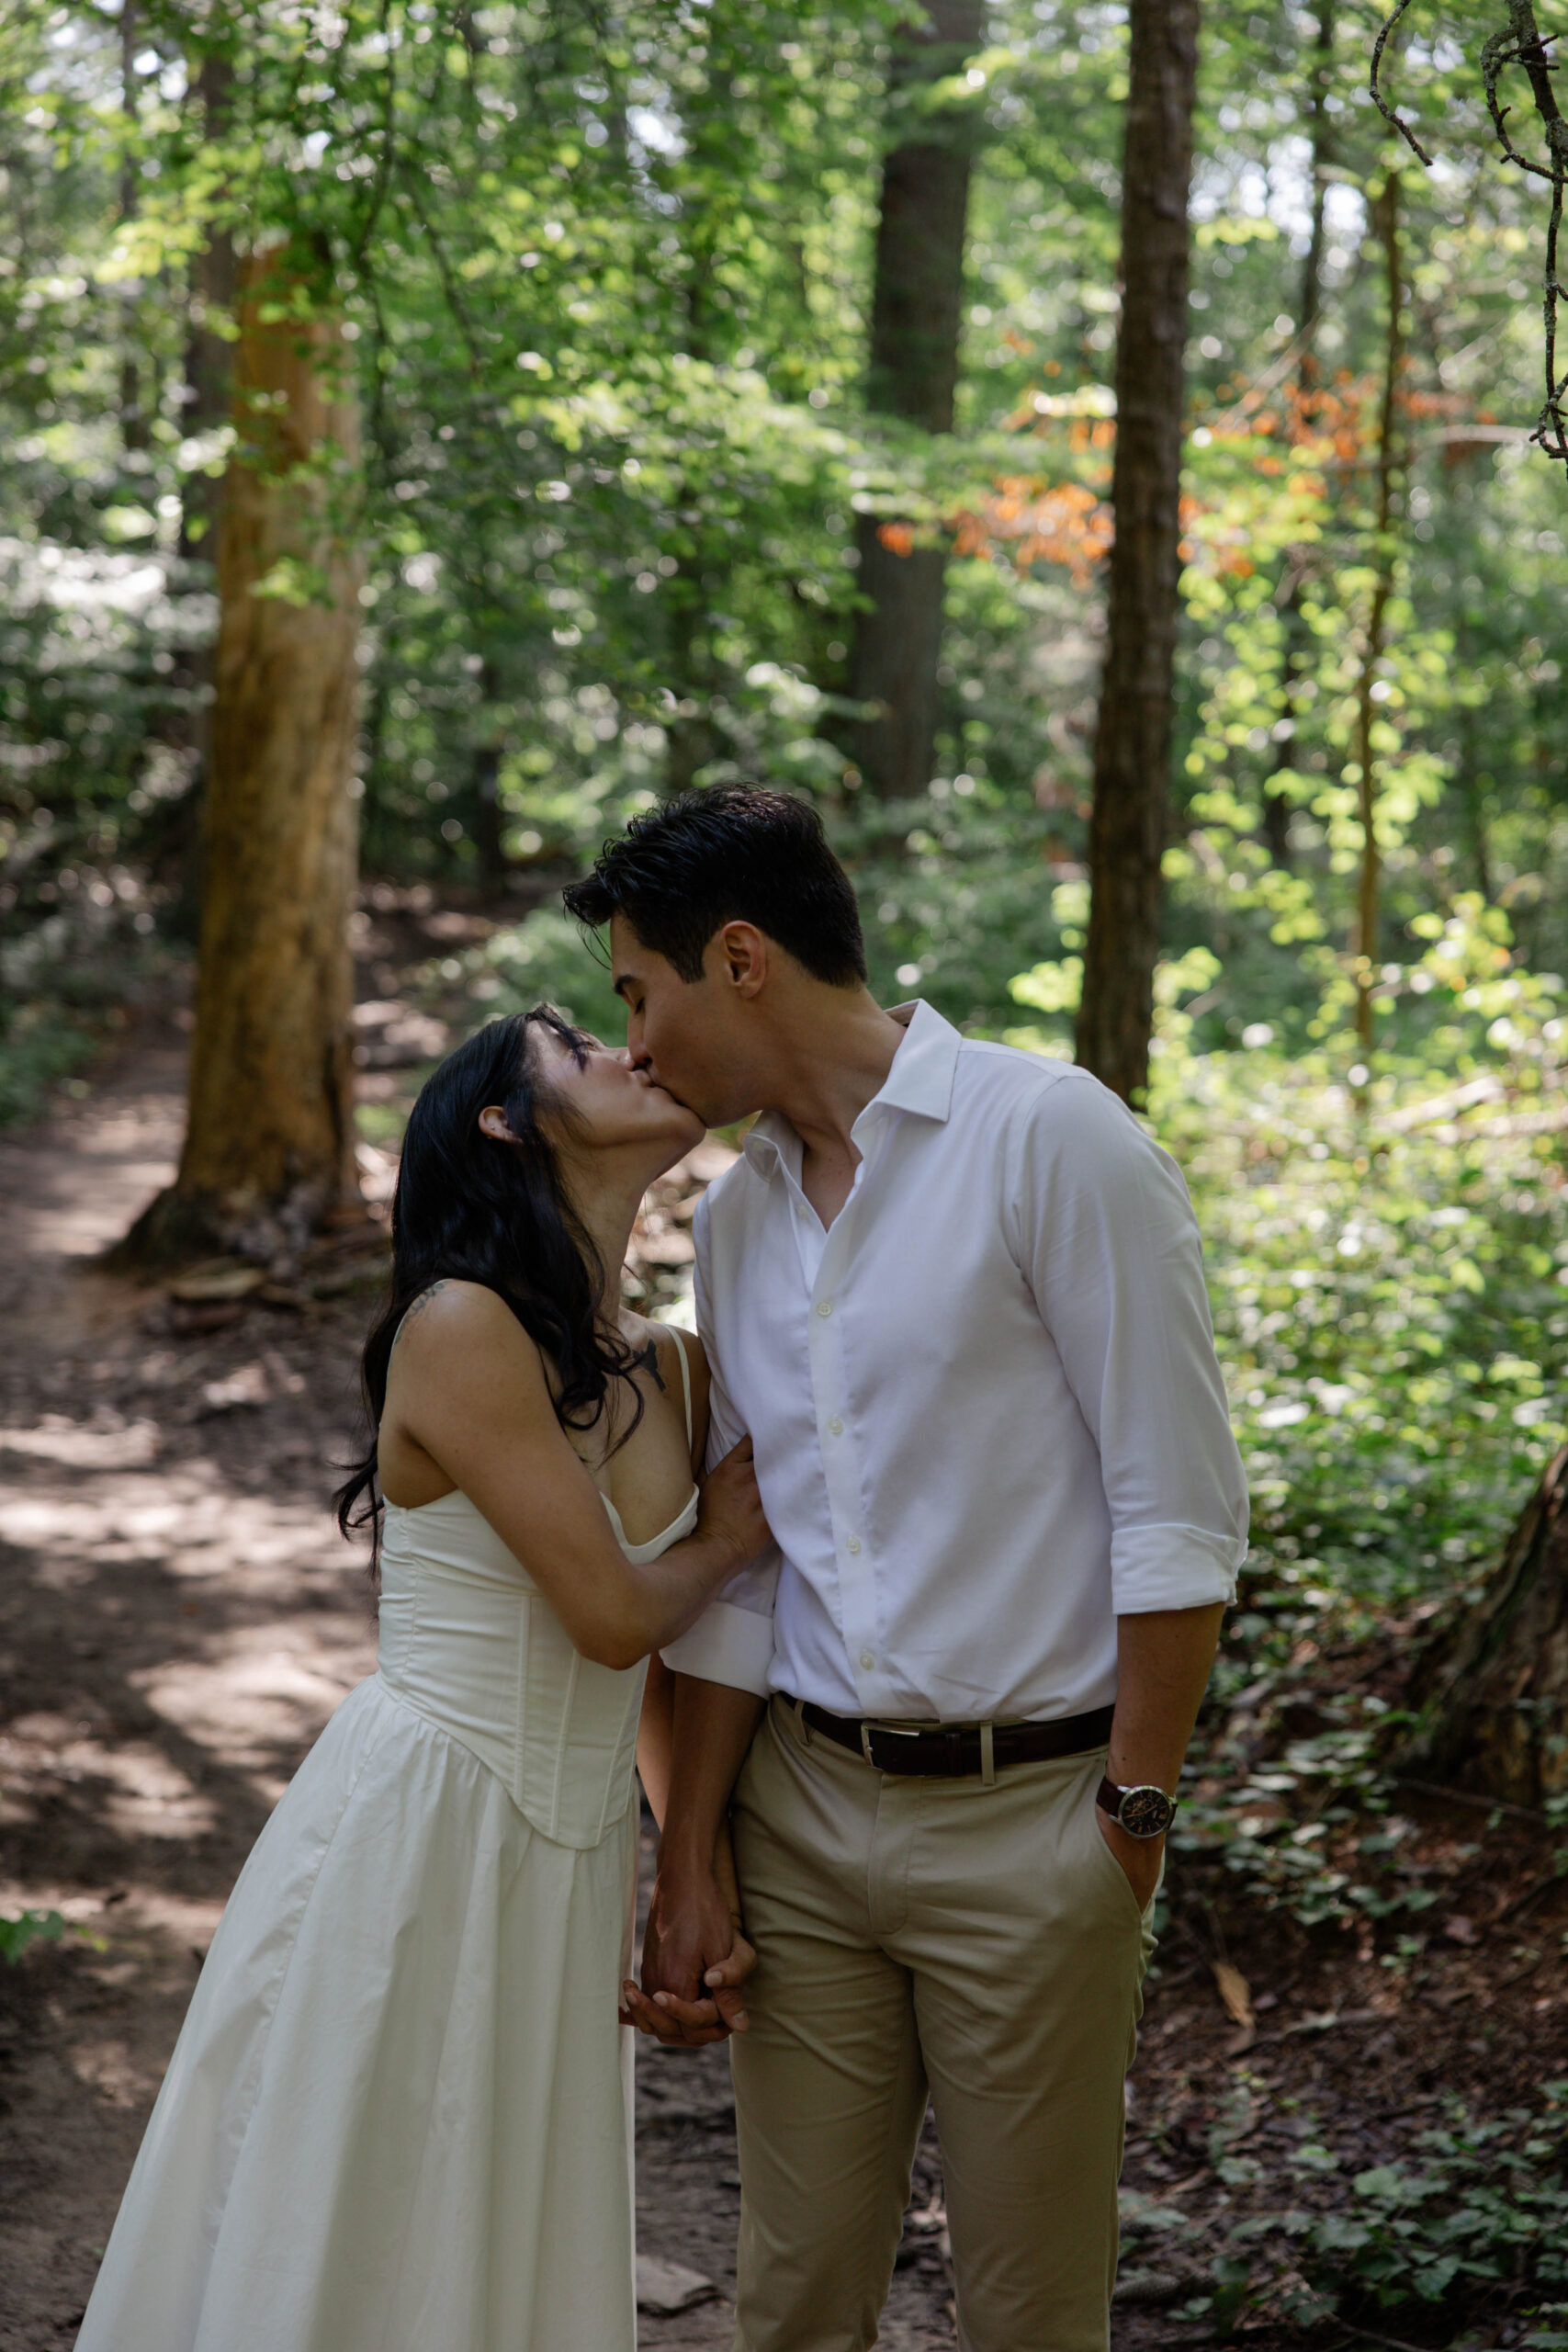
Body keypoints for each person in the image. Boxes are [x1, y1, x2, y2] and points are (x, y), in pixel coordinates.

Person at [562, 786, 1249, 2352]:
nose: (639, 1044)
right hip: (801, 1824)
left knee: (1026, 2313)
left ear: (740, 958)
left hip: (1039, 1827)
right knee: (793, 2302)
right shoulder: (735, 1226)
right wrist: (694, 1862)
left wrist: (1130, 1821)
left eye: (639, 993)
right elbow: (746, 1570)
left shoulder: (1049, 1137)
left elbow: (1179, 1508)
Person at [74, 1007, 767, 2352]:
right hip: (424, 1830)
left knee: (494, 2226)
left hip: (566, 1862)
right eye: (580, 1046)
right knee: (362, 2208)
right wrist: (733, 1540)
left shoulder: (676, 1366)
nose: (632, 1050)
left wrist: (692, 1873)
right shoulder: (458, 1325)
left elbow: (668, 1676)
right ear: (504, 1123)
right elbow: (613, 1616)